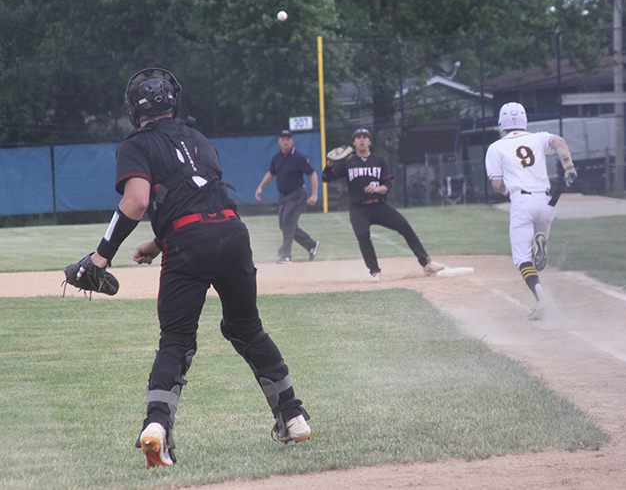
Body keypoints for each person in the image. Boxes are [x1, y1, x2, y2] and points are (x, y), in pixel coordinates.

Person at [75, 68, 310, 468]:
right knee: (247, 328)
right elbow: (203, 198)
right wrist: (157, 242)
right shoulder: (198, 138)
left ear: (135, 109)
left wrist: (101, 255)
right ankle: (292, 415)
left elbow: (136, 202)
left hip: (188, 244)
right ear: (173, 102)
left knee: (176, 341)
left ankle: (156, 428)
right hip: (233, 234)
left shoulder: (136, 144)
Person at [485, 102, 577, 317]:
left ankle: (542, 299)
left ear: (502, 123)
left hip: (522, 201)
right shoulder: (537, 138)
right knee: (535, 255)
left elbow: (498, 185)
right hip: (546, 202)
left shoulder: (496, 147)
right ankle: (539, 244)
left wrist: (508, 191)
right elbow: (559, 142)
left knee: (522, 260)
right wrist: (569, 166)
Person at [322, 128, 444, 281]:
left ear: (370, 142)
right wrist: (330, 163)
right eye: (358, 137)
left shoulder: (379, 160)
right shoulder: (347, 163)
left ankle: (427, 264)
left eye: (365, 137)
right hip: (358, 208)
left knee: (405, 227)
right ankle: (375, 271)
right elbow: (326, 178)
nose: (361, 140)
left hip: (379, 206)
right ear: (353, 143)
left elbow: (387, 185)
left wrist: (378, 188)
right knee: (362, 235)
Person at [255, 130, 320, 264]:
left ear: (292, 141)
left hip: (297, 194)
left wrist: (314, 195)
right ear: (279, 141)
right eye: (283, 139)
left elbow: (313, 174)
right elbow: (272, 173)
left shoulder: (299, 157)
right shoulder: (277, 157)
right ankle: (311, 245)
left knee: (288, 224)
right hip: (284, 196)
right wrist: (261, 186)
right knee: (284, 225)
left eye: (288, 139)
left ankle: (286, 255)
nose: (285, 142)